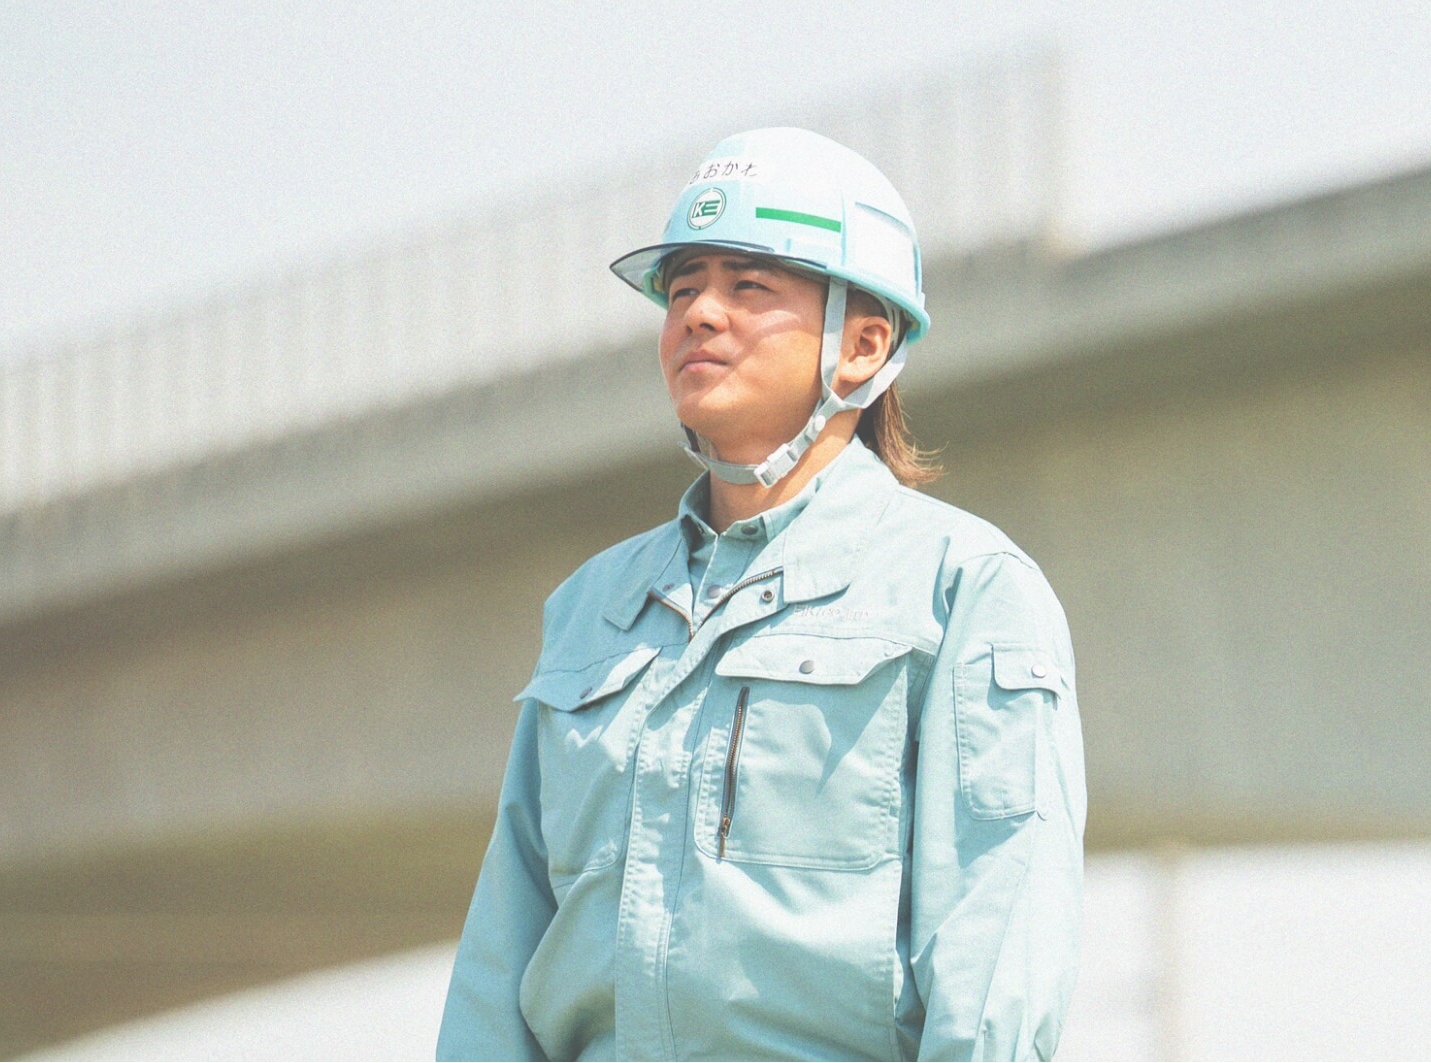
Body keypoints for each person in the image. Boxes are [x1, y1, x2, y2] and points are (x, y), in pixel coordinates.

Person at [437, 127, 1087, 1061]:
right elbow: (501, 959)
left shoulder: (963, 589)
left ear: (863, 344)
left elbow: (996, 962)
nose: (700, 315)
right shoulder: (590, 609)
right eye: (682, 288)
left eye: (749, 286)